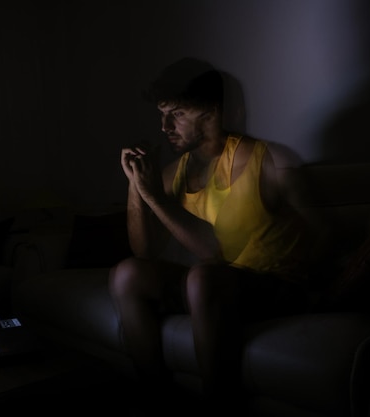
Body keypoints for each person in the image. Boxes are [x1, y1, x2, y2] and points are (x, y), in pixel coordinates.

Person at [109, 58, 312, 414]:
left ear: (211, 111)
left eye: (176, 114)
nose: (164, 126)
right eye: (161, 115)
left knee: (203, 277)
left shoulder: (268, 161)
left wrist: (154, 195)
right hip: (214, 288)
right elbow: (144, 251)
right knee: (127, 273)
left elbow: (212, 250)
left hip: (270, 285)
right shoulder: (178, 170)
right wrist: (135, 186)